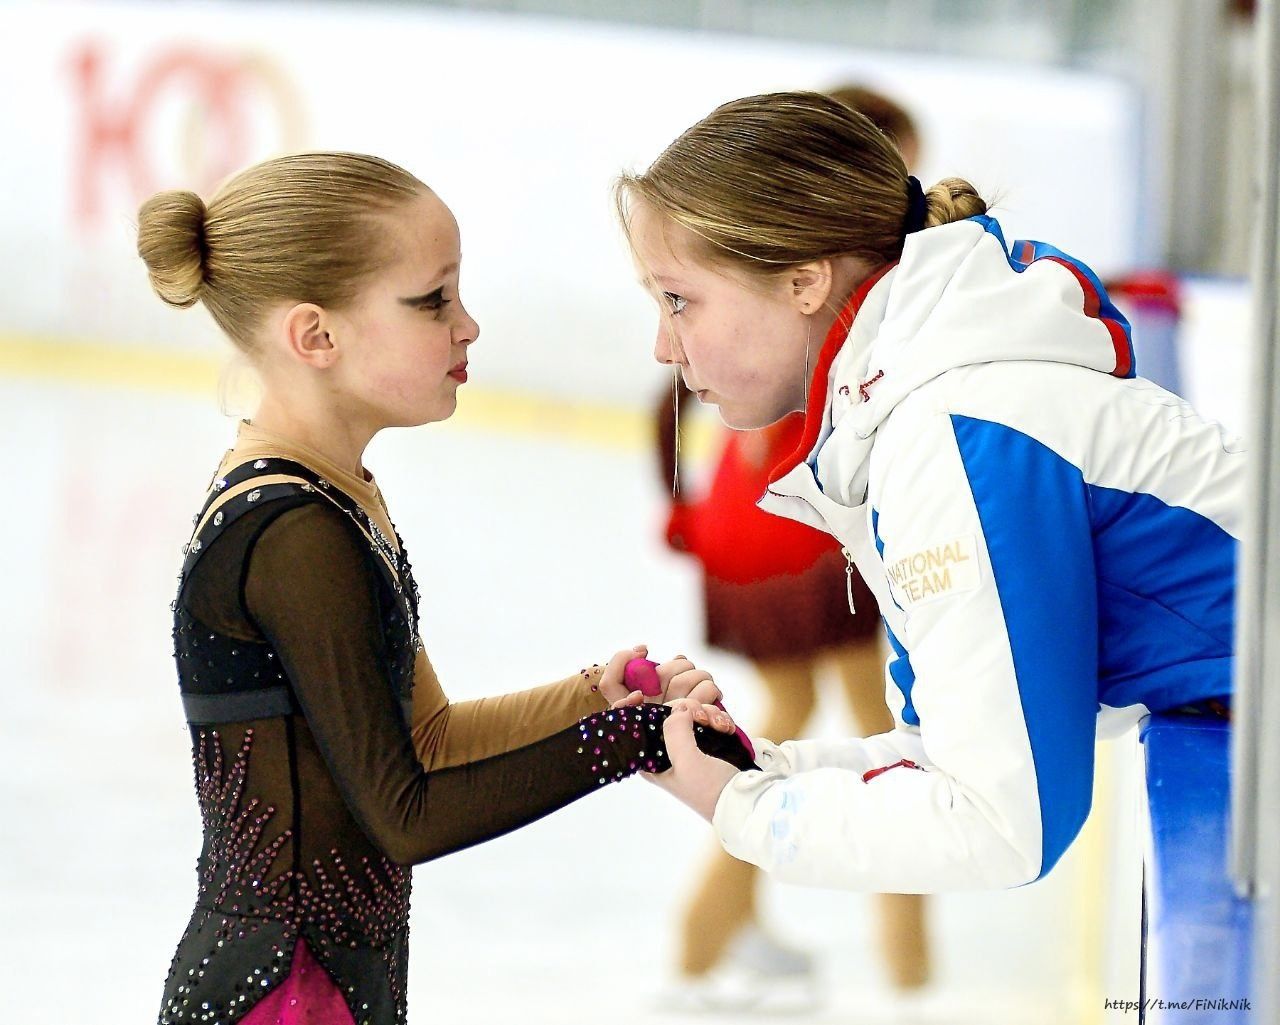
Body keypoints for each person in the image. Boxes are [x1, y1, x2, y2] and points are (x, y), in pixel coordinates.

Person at [136, 151, 753, 1025]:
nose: (468, 326)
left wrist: (589, 699)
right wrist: (628, 740)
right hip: (283, 994)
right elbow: (407, 814)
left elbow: (423, 738)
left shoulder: (336, 496)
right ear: (316, 336)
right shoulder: (291, 532)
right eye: (433, 301)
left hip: (325, 985)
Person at [620, 92, 1240, 895]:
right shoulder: (922, 409)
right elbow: (938, 751)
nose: (663, 345)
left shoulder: (951, 435)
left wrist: (749, 810)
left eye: (679, 299)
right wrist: (759, 768)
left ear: (804, 280)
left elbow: (1000, 828)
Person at [652, 87, 929, 1007]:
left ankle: (707, 935)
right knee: (899, 746)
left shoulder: (754, 264)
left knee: (817, 712)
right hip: (796, 534)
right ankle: (910, 977)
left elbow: (667, 394)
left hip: (745, 516)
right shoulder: (845, 294)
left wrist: (680, 504)